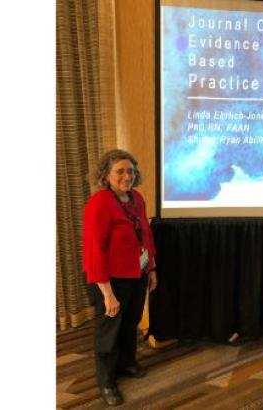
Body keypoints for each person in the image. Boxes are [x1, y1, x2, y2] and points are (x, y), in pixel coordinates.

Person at [82, 149, 158, 407]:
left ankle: (127, 364)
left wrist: (152, 269)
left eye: (130, 170)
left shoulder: (136, 197)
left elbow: (145, 235)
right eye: (120, 171)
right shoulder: (99, 203)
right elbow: (94, 251)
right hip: (109, 280)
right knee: (109, 331)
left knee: (130, 323)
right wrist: (107, 293)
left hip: (136, 274)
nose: (127, 176)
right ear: (106, 175)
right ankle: (106, 381)